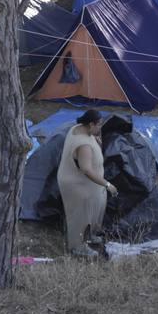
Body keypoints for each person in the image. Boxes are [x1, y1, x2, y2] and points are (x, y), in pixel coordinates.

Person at [57, 109, 117, 257]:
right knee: (80, 214)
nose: (100, 128)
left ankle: (89, 235)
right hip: (76, 183)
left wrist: (96, 141)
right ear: (90, 124)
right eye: (99, 125)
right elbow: (86, 170)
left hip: (82, 181)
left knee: (93, 209)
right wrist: (107, 184)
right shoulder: (83, 145)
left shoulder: (77, 128)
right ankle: (78, 246)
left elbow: (90, 140)